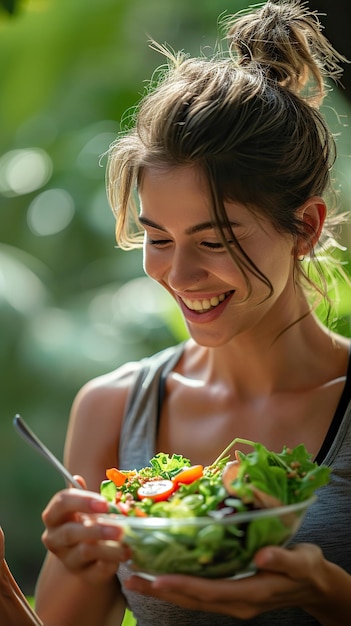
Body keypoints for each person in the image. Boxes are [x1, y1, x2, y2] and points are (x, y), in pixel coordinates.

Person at [34, 1, 351, 624]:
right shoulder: (114, 409)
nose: (178, 276)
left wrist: (329, 594)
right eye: (158, 239)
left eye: (214, 241)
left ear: (305, 227)